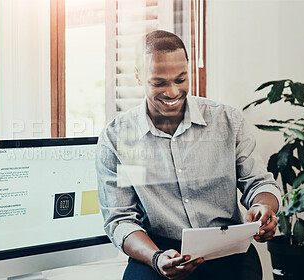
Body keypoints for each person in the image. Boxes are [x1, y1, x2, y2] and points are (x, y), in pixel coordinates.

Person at [96, 30, 281, 280]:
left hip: (228, 247)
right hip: (159, 249)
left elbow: (258, 183)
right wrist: (156, 257)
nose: (172, 92)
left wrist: (263, 206)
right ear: (139, 77)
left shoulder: (227, 120)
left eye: (180, 79)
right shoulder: (117, 138)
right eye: (159, 83)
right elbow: (120, 219)